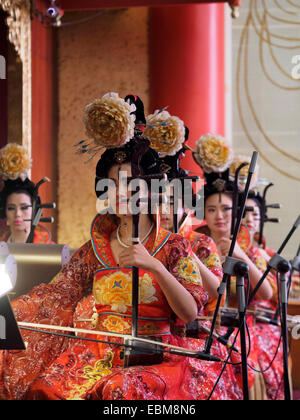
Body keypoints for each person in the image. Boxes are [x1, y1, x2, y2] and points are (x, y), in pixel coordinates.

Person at [0, 93, 234, 400]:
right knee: (46, 389)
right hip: (98, 350)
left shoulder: (174, 245)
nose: (122, 193)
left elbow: (189, 313)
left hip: (155, 354)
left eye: (131, 185)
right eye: (114, 185)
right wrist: (10, 310)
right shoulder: (96, 247)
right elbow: (56, 294)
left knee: (116, 390)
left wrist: (154, 265)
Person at [0, 143, 53, 244]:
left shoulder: (49, 250)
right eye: (11, 208)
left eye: (24, 207)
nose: (18, 214)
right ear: (3, 210)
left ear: (35, 209)